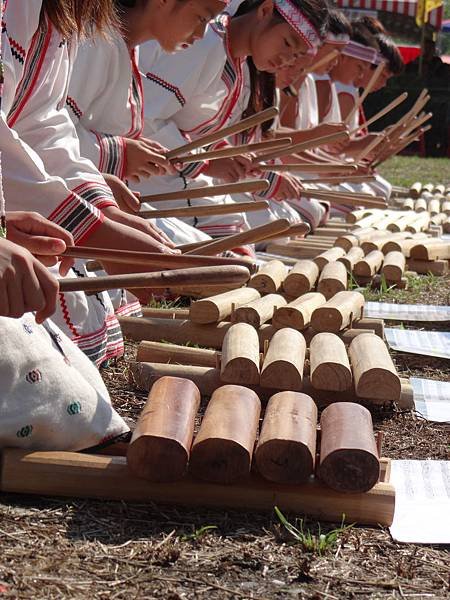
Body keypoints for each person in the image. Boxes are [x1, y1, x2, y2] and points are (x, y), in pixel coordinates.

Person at [1, 0, 177, 364]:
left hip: (21, 198)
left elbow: (41, 121)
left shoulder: (63, 15)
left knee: (81, 317)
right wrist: (94, 230)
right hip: (17, 198)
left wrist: (102, 212)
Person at [138, 0, 330, 232]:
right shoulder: (205, 42)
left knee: (254, 232)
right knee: (240, 239)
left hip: (175, 174)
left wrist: (225, 155)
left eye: (296, 55)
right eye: (287, 43)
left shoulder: (235, 60)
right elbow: (146, 119)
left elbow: (197, 131)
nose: (286, 59)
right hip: (147, 177)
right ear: (265, 10)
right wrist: (206, 163)